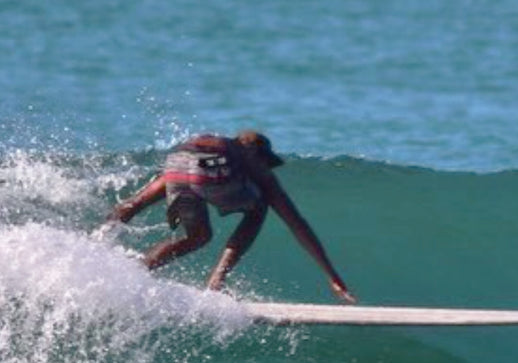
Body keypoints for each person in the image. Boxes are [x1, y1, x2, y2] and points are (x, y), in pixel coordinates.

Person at [106, 130, 356, 303]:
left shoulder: (212, 148)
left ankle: (133, 274)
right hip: (212, 170)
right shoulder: (248, 160)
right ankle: (216, 283)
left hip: (175, 162)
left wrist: (99, 235)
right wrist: (332, 274)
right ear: (257, 155)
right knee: (259, 207)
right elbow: (296, 223)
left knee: (198, 237)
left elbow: (134, 204)